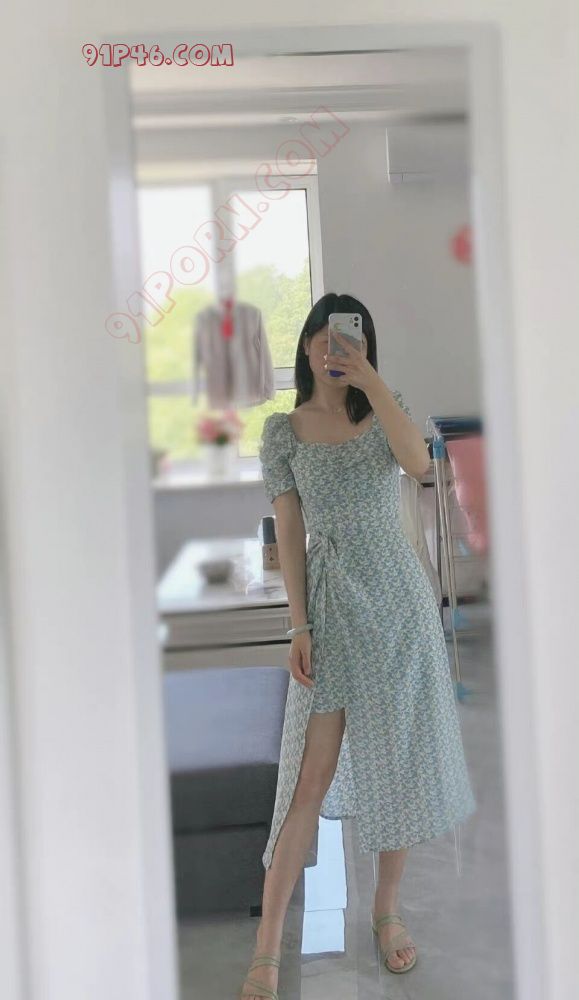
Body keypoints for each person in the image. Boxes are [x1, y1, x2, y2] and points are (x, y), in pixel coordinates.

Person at [239, 292, 476, 1000]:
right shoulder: (282, 432)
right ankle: (266, 943)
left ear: (364, 346)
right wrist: (299, 625)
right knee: (308, 777)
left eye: (350, 339)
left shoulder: (384, 408)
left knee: (397, 764)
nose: (334, 348)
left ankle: (387, 911)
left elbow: (419, 464)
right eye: (324, 336)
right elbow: (289, 533)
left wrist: (372, 383)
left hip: (398, 606)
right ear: (307, 344)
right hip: (334, 609)